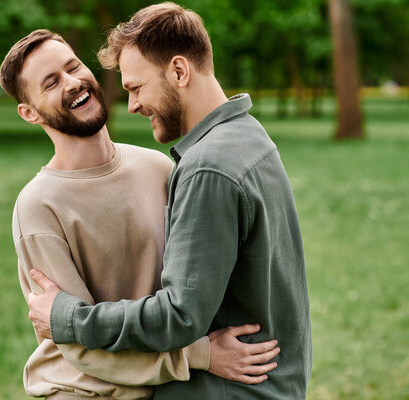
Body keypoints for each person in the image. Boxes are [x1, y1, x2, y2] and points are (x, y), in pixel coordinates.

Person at [26, 3, 312, 399]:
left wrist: (66, 317)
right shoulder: (249, 136)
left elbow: (178, 317)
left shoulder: (207, 168)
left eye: (136, 87)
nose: (132, 106)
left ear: (179, 71)